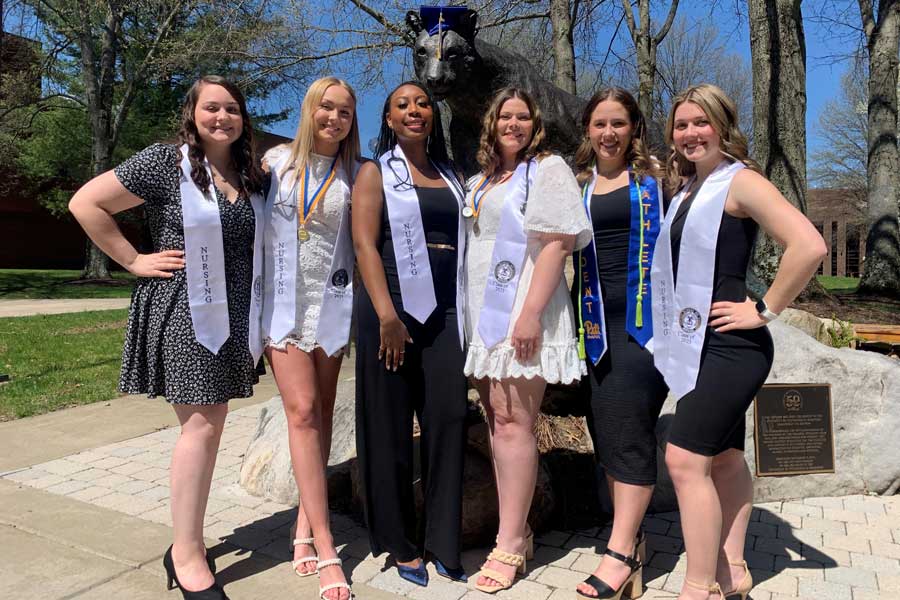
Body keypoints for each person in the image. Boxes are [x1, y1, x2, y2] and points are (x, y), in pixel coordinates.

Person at [68, 75, 268, 600]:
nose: (222, 117)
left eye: (231, 109)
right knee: (200, 426)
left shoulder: (247, 173)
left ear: (242, 118)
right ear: (192, 113)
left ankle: (187, 541)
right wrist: (133, 259)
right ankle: (185, 552)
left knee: (211, 422)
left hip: (235, 314)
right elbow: (86, 203)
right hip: (187, 310)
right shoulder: (165, 161)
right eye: (211, 108)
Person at [652, 84, 826, 600]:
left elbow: (809, 245)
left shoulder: (740, 183)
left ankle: (697, 586)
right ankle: (732, 568)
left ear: (723, 126)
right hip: (694, 342)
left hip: (733, 347)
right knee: (724, 457)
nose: (689, 133)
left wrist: (765, 309)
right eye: (680, 125)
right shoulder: (685, 190)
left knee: (684, 459)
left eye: (700, 123)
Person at [463, 87, 592, 594]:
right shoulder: (480, 180)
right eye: (504, 117)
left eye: (522, 117)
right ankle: (519, 529)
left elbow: (558, 243)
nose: (512, 124)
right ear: (490, 124)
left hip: (522, 313)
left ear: (534, 124)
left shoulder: (548, 169)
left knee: (516, 421)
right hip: (483, 318)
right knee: (497, 420)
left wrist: (532, 314)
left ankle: (511, 541)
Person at [351, 81, 469, 587]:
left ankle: (443, 538)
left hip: (445, 313)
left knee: (449, 418)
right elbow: (363, 243)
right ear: (390, 119)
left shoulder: (452, 176)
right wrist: (386, 315)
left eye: (423, 103)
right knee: (390, 426)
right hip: (390, 312)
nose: (415, 110)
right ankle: (400, 543)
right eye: (403, 105)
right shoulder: (376, 171)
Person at [260, 76, 360, 600]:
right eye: (327, 107)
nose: (334, 118)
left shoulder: (355, 173)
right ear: (309, 109)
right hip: (283, 309)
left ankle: (302, 523)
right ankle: (326, 546)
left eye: (344, 112)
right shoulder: (274, 164)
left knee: (320, 415)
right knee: (300, 413)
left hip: (332, 306)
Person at [571, 87, 668, 600]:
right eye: (599, 124)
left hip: (643, 325)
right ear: (587, 129)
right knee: (607, 430)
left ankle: (621, 554)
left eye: (619, 123)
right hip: (593, 328)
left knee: (627, 431)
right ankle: (636, 537)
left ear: (634, 127)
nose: (609, 133)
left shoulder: (657, 180)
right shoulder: (578, 183)